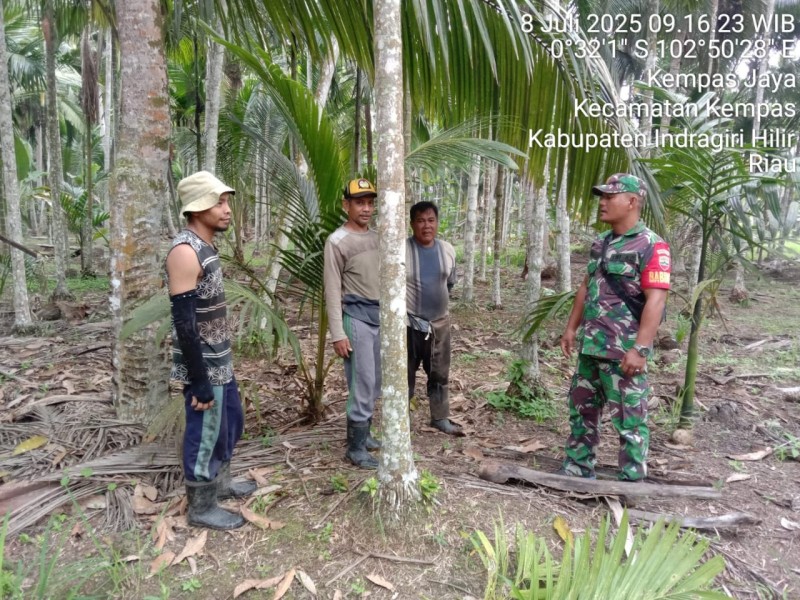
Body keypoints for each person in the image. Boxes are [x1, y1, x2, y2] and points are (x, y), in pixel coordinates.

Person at [559, 173, 670, 481]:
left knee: (630, 419)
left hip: (624, 352)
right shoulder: (600, 244)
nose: (603, 203)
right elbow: (586, 286)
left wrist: (641, 348)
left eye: (610, 197)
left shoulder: (652, 246)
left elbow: (656, 300)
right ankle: (577, 469)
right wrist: (571, 328)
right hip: (592, 346)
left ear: (632, 202)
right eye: (602, 197)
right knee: (582, 411)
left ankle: (631, 480)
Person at [166, 170, 257, 530]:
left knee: (230, 421)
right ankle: (202, 505)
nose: (226, 209)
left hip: (220, 357)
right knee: (204, 430)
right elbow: (184, 323)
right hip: (203, 361)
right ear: (196, 207)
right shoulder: (185, 252)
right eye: (218, 202)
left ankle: (221, 481)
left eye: (226, 201)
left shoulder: (205, 247)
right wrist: (199, 381)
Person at [324, 178, 382, 469]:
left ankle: (366, 434)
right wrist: (338, 333)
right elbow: (333, 289)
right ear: (346, 204)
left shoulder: (377, 237)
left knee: (376, 382)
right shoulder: (337, 241)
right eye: (360, 202)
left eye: (370, 202)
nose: (366, 208)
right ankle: (355, 448)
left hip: (380, 318)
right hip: (356, 318)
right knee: (362, 381)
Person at [406, 201, 462, 435]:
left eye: (431, 220)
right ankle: (401, 420)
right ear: (412, 224)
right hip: (408, 324)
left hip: (439, 324)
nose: (426, 226)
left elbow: (449, 283)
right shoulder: (402, 249)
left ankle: (439, 417)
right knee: (404, 373)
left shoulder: (447, 249)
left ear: (437, 223)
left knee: (439, 372)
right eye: (420, 220)